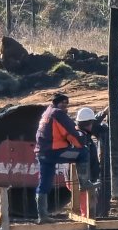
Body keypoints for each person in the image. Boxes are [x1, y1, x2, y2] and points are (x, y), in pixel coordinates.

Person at [34, 93, 93, 223]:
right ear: (57, 103)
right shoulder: (58, 114)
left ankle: (42, 216)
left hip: (42, 154)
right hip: (55, 152)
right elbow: (72, 133)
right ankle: (84, 183)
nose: (65, 106)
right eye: (63, 103)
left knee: (44, 183)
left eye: (67, 104)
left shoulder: (46, 114)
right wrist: (80, 142)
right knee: (83, 153)